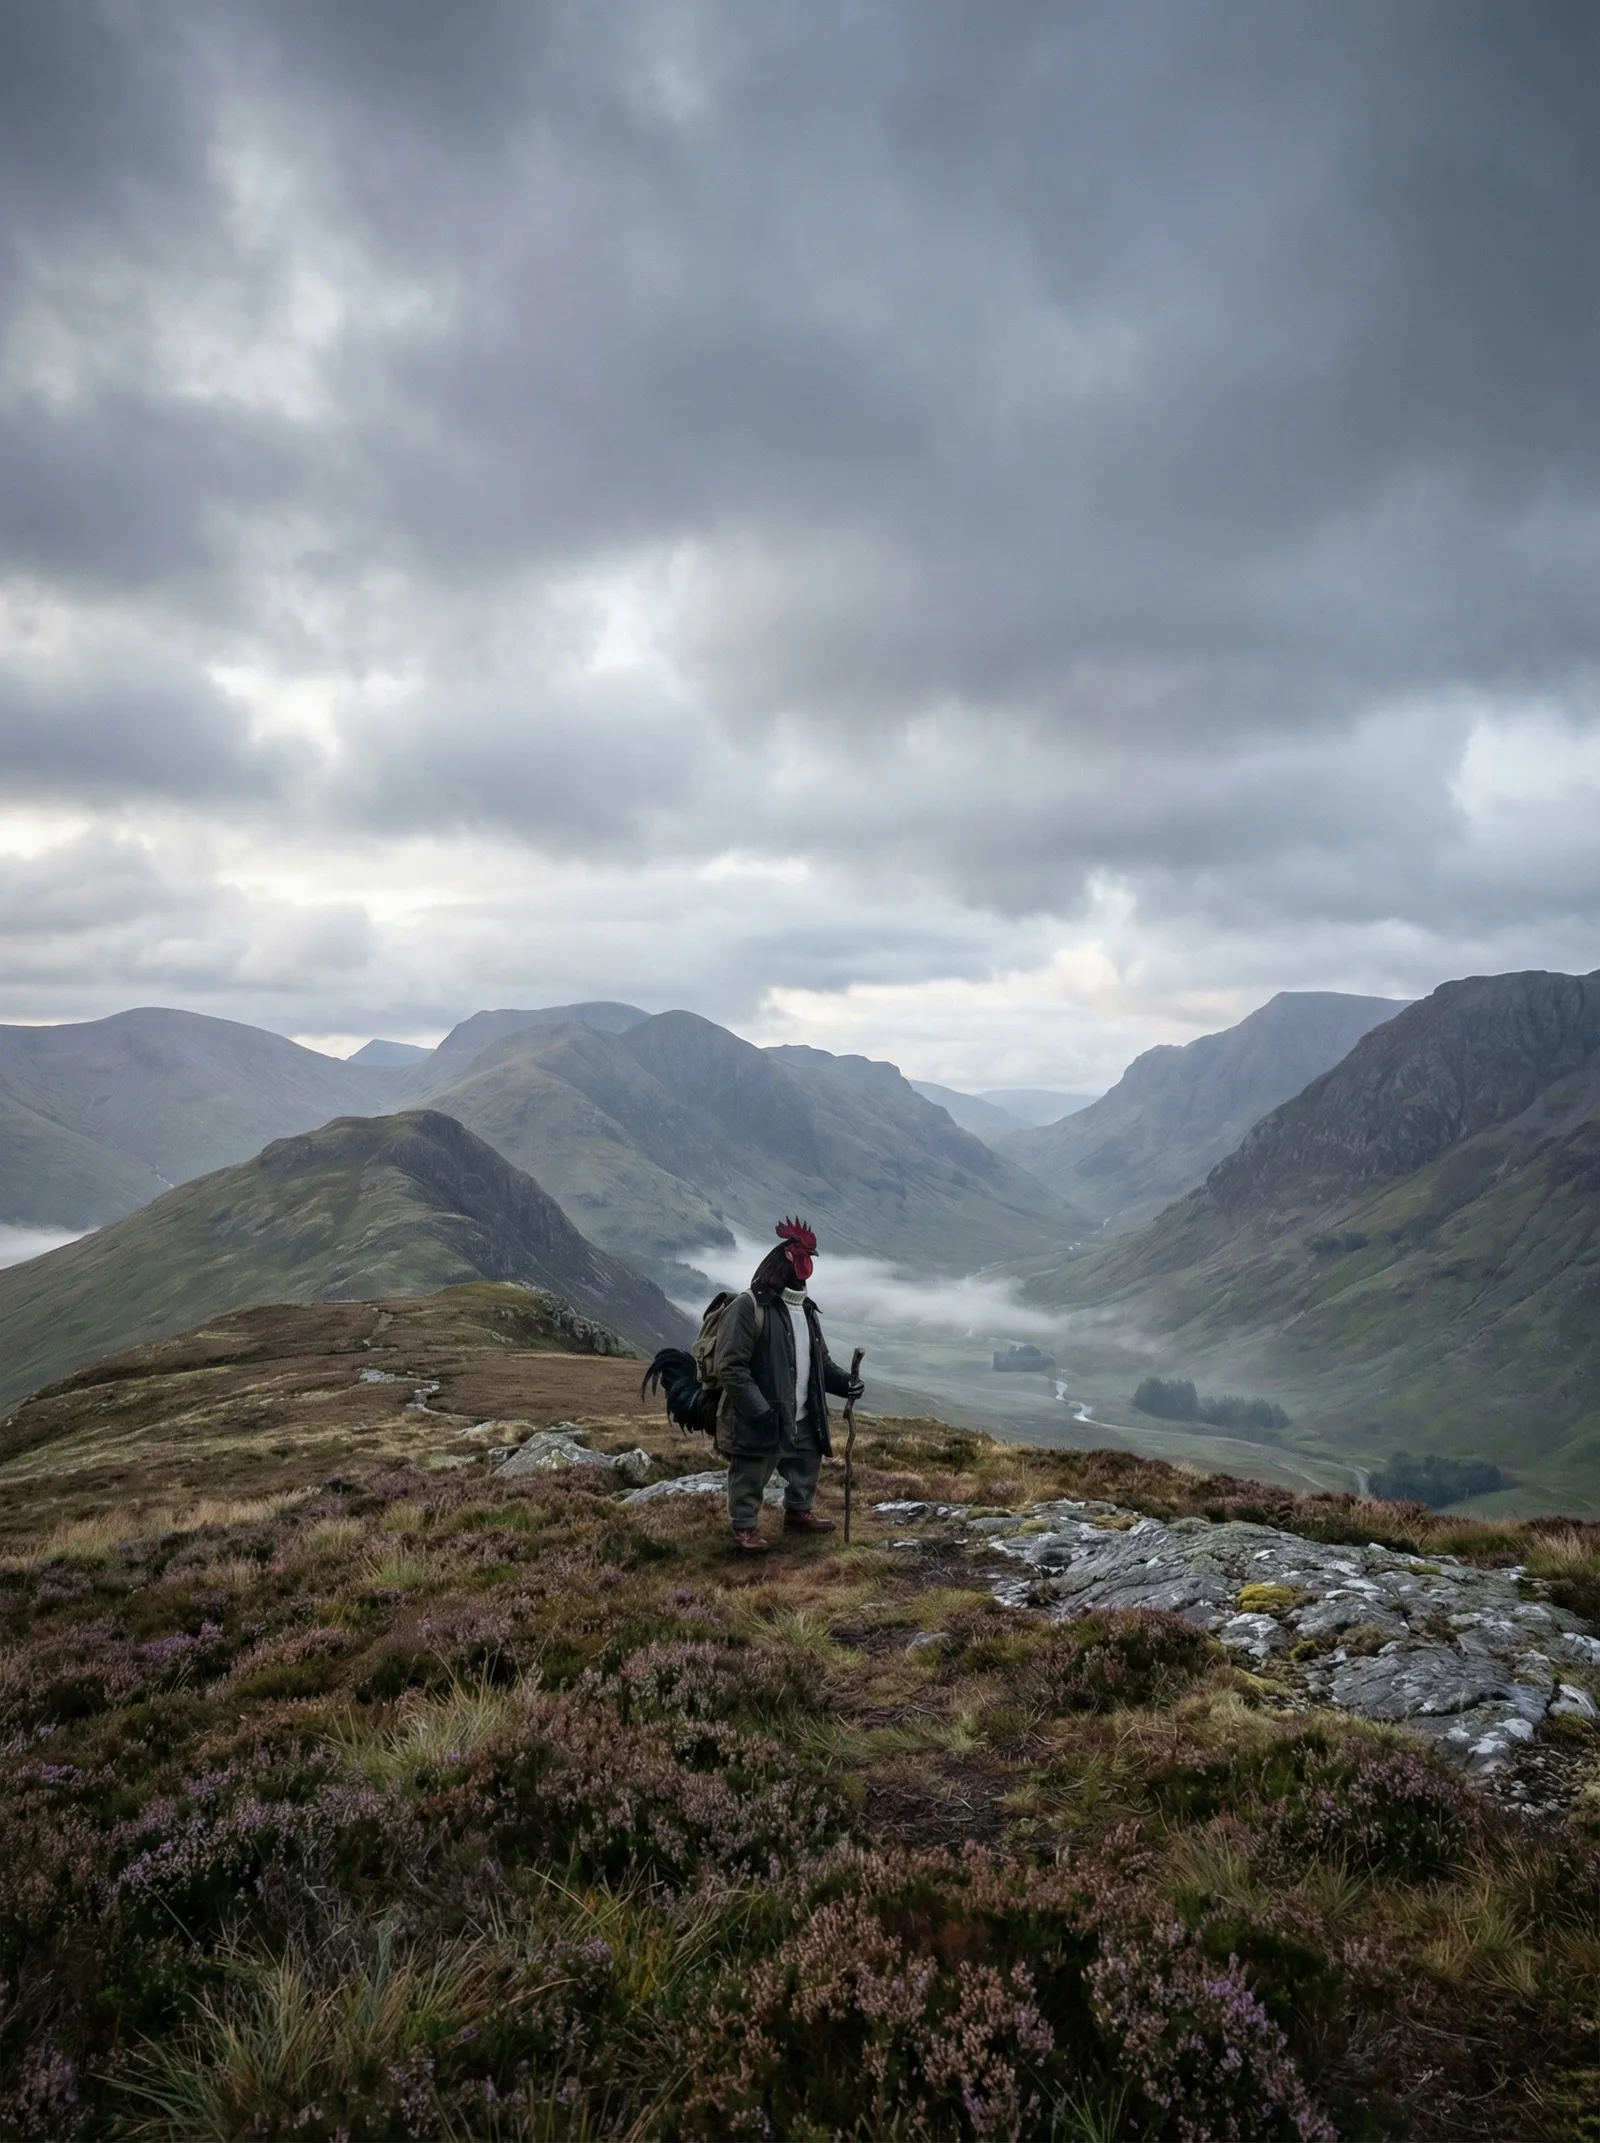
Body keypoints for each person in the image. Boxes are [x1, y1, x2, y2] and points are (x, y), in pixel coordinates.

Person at [713, 1217, 863, 1553]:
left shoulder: (806, 1310)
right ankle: (745, 1529)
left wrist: (846, 1384)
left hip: (801, 1410)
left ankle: (798, 1511)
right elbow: (730, 1366)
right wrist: (759, 1410)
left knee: (807, 1460)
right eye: (802, 1253)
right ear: (788, 1259)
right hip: (761, 1413)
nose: (809, 1260)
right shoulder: (749, 1306)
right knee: (751, 1470)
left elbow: (819, 1363)